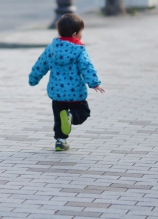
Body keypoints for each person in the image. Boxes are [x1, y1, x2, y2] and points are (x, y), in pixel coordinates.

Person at [28, 13, 104, 151]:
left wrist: (33, 79)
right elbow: (86, 67)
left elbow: (40, 64)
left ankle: (60, 141)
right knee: (83, 112)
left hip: (57, 93)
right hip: (75, 93)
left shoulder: (51, 48)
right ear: (75, 34)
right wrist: (94, 83)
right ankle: (72, 116)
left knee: (59, 117)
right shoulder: (79, 50)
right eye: (81, 32)